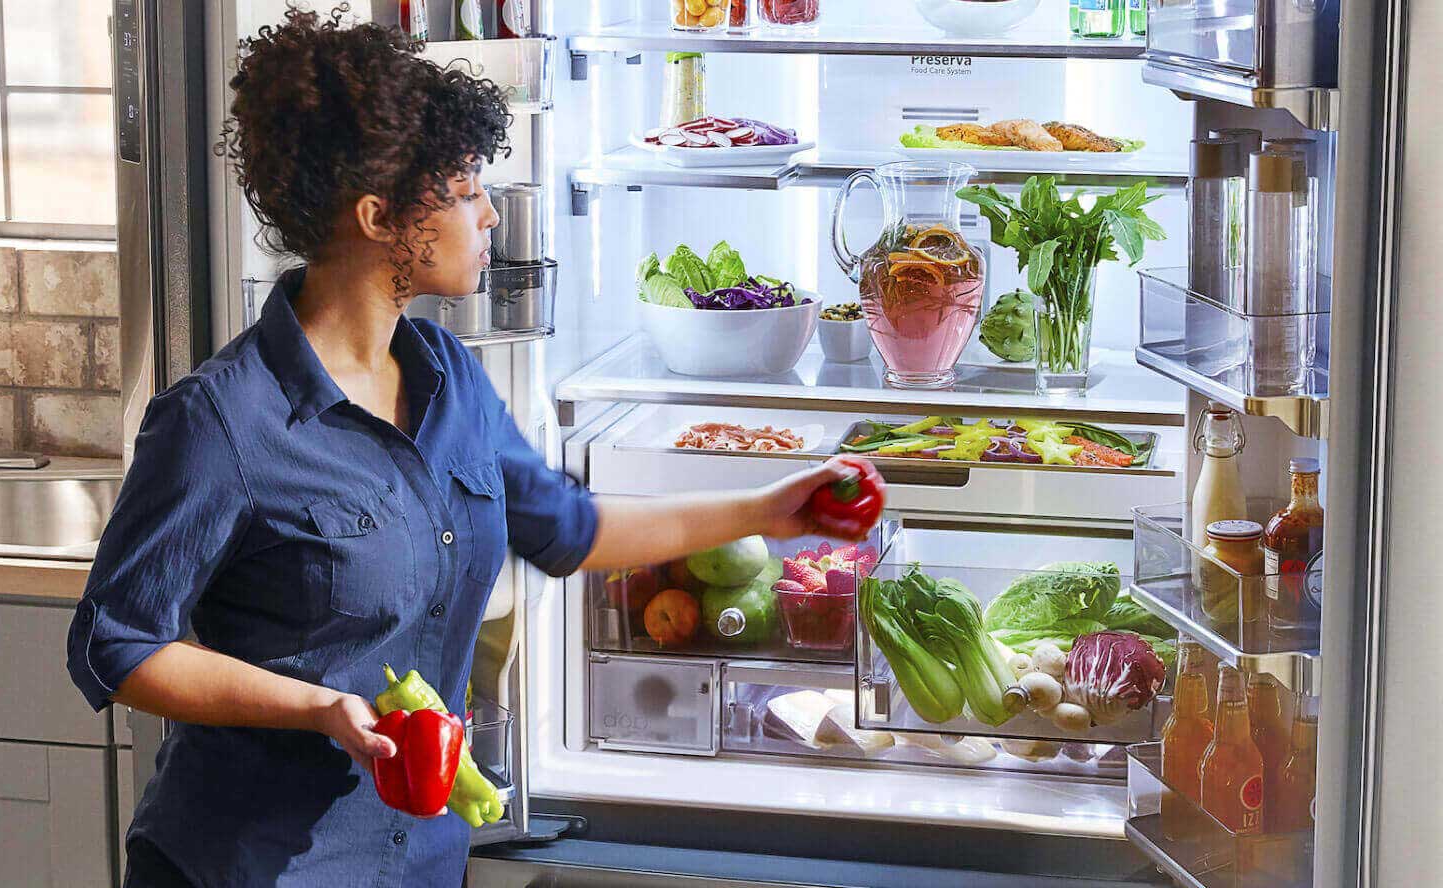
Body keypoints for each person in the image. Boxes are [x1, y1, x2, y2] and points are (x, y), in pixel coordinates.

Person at [66, 10, 868, 886]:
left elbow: (571, 529)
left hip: (418, 860)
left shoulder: (447, 375)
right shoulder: (223, 422)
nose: (489, 212)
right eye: (464, 188)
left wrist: (770, 508)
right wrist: (317, 708)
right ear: (378, 216)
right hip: (250, 867)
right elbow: (120, 645)